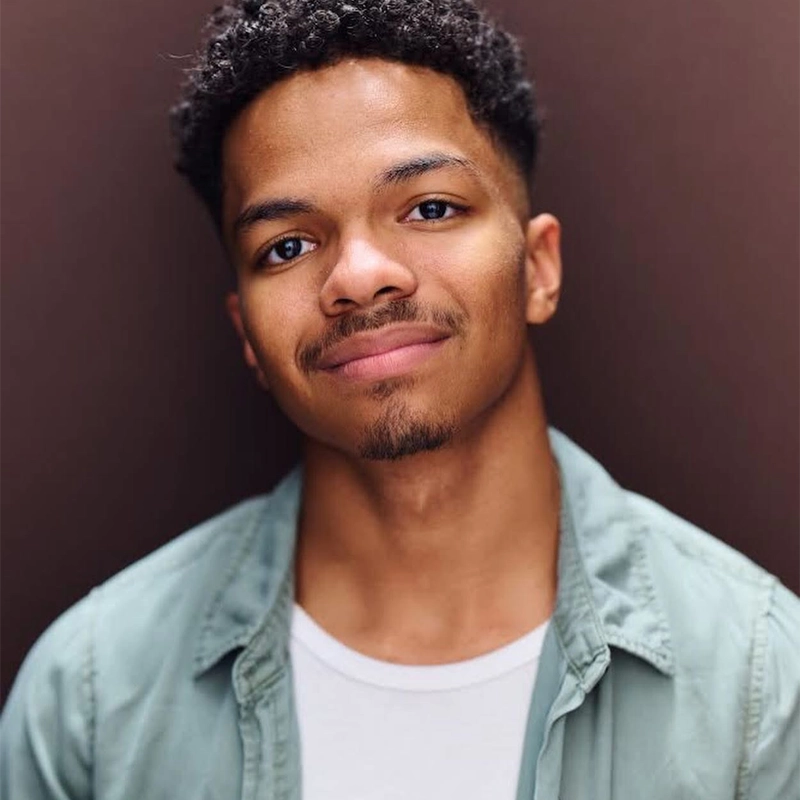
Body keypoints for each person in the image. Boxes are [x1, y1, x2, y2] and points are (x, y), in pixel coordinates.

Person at [2, 0, 798, 797]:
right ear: (246, 331)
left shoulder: (759, 687)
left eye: (430, 208)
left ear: (539, 267)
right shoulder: (90, 704)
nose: (359, 275)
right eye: (287, 246)